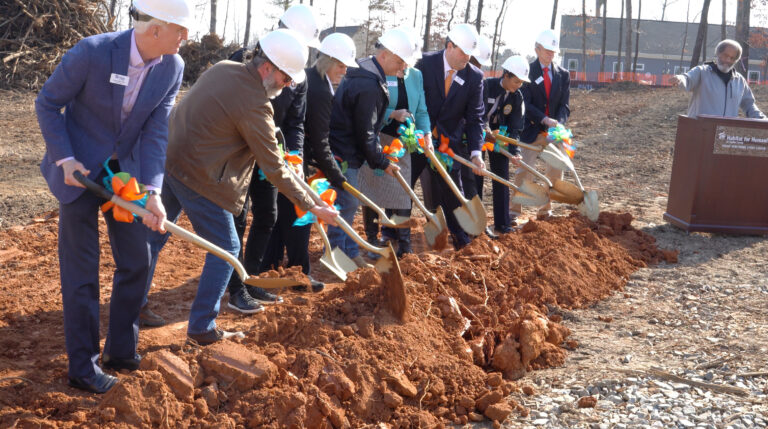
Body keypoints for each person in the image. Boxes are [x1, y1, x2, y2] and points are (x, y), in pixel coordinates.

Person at [34, 0, 192, 393]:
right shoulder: (93, 51)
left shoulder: (172, 67)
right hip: (80, 173)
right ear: (155, 29)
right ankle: (83, 368)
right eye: (180, 29)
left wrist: (153, 191)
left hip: (124, 175)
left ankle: (120, 350)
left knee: (138, 259)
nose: (186, 37)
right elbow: (48, 103)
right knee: (82, 272)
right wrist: (65, 159)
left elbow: (156, 132)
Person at [146, 29, 337, 346]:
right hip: (199, 176)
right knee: (226, 249)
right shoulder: (255, 104)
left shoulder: (224, 67)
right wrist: (312, 204)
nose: (287, 86)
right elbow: (275, 168)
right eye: (286, 79)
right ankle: (202, 328)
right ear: (268, 68)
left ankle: (134, 302)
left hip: (170, 162)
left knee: (154, 237)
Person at [223, 4, 322, 313]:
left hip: (271, 155)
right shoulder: (243, 61)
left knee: (268, 215)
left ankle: (252, 282)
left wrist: (294, 154)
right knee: (238, 218)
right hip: (238, 152)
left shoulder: (300, 78)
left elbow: (296, 122)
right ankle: (233, 286)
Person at [259, 32, 358, 288]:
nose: (344, 72)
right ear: (326, 60)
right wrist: (337, 176)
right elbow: (318, 137)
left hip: (293, 153)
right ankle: (299, 273)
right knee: (299, 216)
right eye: (340, 65)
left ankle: (272, 267)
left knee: (281, 215)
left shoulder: (315, 80)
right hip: (292, 155)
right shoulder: (318, 88)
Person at [326, 28, 419, 267]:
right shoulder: (368, 84)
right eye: (399, 61)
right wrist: (382, 161)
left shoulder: (366, 72)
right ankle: (337, 255)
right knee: (346, 203)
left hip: (348, 148)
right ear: (385, 54)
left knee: (349, 203)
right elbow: (365, 130)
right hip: (343, 150)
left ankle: (348, 251)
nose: (401, 68)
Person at [413, 23, 486, 250]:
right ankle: (397, 236)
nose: (466, 58)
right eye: (463, 52)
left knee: (454, 189)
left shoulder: (474, 77)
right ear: (449, 46)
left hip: (447, 143)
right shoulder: (425, 64)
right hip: (416, 138)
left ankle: (459, 235)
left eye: (470, 54)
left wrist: (476, 153)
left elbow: (475, 118)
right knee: (406, 184)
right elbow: (412, 97)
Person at [358, 57, 431, 258]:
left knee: (402, 190)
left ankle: (404, 243)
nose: (404, 67)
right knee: (371, 188)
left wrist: (427, 135)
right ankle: (372, 239)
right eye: (401, 61)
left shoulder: (416, 75)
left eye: (408, 62)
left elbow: (422, 110)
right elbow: (367, 110)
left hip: (403, 141)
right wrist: (392, 114)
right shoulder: (381, 73)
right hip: (376, 137)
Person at [517, 29, 570, 219]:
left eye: (553, 51)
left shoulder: (563, 75)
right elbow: (525, 103)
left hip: (554, 133)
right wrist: (543, 119)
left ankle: (546, 210)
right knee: (524, 170)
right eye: (547, 50)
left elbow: (564, 105)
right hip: (531, 129)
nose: (550, 54)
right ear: (537, 49)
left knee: (556, 171)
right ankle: (515, 211)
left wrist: (560, 123)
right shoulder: (527, 71)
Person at [476, 55, 529, 233]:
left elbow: (516, 127)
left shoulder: (518, 97)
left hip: (500, 138)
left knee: (502, 178)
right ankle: (477, 224)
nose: (518, 86)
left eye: (521, 82)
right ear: (505, 75)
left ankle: (502, 223)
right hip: (478, 135)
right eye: (516, 81)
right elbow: (477, 112)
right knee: (477, 176)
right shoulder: (485, 86)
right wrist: (485, 128)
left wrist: (515, 150)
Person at [670, 39, 764, 119]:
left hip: (725, 135)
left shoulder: (739, 81)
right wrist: (679, 79)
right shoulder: (702, 72)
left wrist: (762, 119)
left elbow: (749, 105)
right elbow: (688, 79)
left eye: (732, 58)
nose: (728, 60)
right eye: (725, 55)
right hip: (700, 131)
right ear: (718, 53)